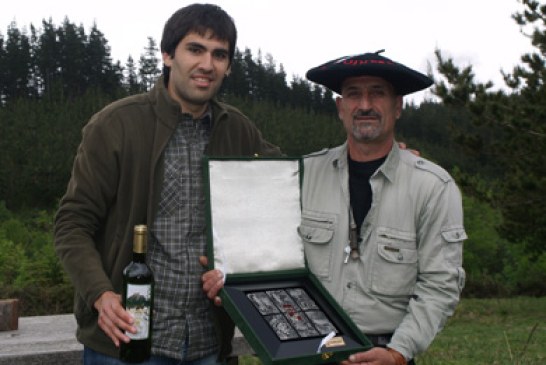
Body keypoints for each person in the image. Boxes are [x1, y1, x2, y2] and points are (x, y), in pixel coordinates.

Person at [202, 51, 466, 365]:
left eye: (377, 93)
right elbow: (262, 253)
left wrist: (397, 353)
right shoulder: (299, 177)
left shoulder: (434, 187)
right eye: (353, 94)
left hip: (385, 351)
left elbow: (440, 285)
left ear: (398, 107)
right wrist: (227, 274)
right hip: (304, 351)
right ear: (341, 108)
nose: (365, 105)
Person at [54, 3, 280, 365]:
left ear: (229, 65)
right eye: (195, 49)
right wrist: (101, 294)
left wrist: (380, 152)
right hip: (125, 342)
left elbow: (288, 185)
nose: (207, 64)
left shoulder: (239, 131)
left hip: (209, 343)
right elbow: (72, 224)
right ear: (167, 54)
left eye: (219, 54)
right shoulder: (116, 125)